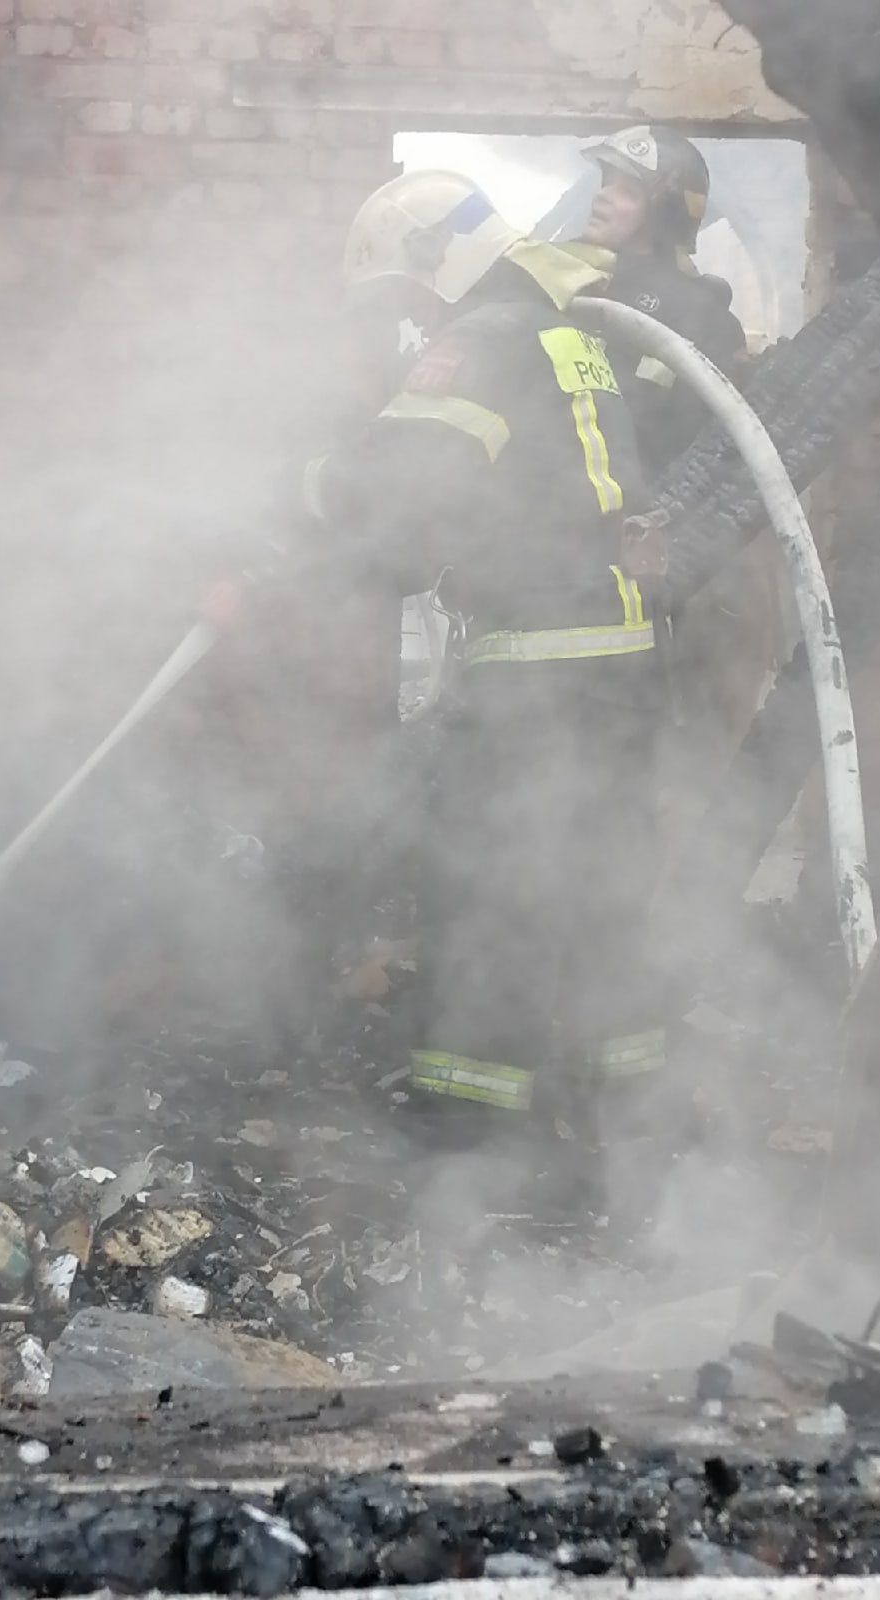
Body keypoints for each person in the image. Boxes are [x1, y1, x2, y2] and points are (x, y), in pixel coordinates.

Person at [210, 170, 675, 1169]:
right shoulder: (572, 330)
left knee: (485, 882)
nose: (405, 327)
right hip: (625, 664)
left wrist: (287, 497)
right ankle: (625, 1108)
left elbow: (391, 497)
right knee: (603, 886)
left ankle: (471, 1124)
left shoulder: (483, 340)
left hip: (538, 668)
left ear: (432, 268)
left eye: (400, 303)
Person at [579, 125, 750, 474]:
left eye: (627, 191)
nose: (602, 197)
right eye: (606, 183)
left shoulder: (702, 317)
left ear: (665, 213)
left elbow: (702, 450)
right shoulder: (561, 278)